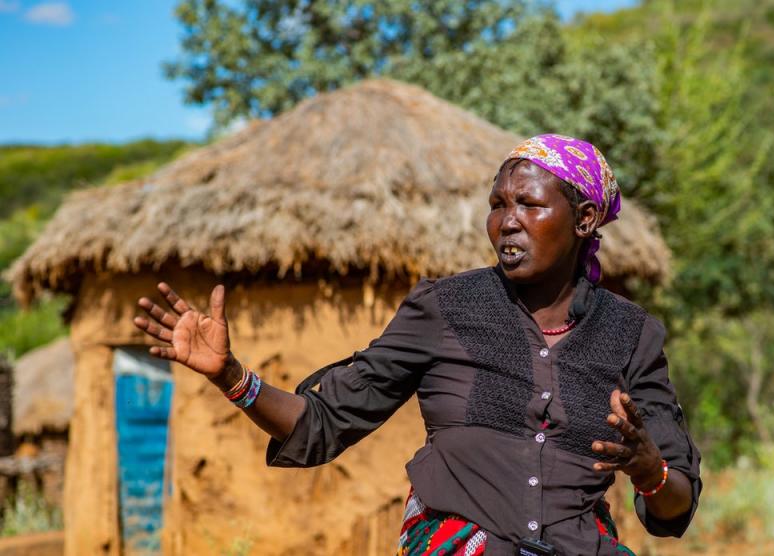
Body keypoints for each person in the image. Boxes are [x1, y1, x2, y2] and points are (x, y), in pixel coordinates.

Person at [134, 134, 701, 555]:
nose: (506, 222)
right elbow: (324, 421)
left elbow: (674, 503)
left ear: (582, 220)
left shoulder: (630, 334)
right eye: (498, 205)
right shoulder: (445, 308)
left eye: (528, 205)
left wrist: (650, 470)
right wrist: (233, 376)